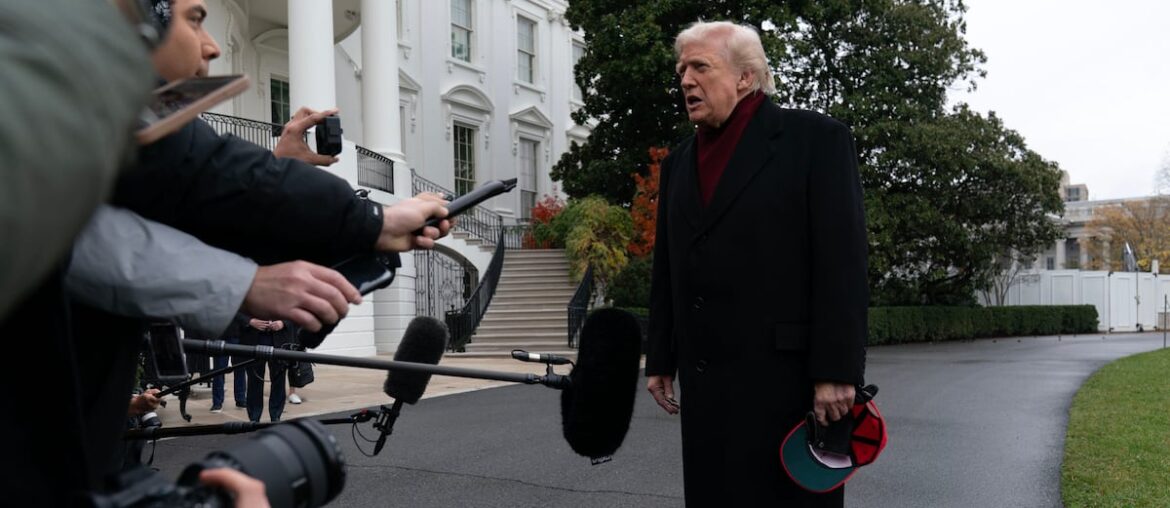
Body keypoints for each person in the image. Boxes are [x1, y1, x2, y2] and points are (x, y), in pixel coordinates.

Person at [644, 21, 868, 507]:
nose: (685, 80)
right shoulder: (679, 162)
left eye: (700, 67)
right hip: (707, 387)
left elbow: (842, 264)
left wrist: (836, 371)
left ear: (746, 77)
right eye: (682, 69)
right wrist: (660, 355)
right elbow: (668, 265)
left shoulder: (816, 140)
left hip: (786, 388)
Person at [240, 317, 296, 423]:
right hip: (254, 341)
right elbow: (237, 312)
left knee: (279, 381)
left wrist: (283, 323)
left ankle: (276, 416)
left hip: (280, 343)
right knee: (254, 382)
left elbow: (295, 313)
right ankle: (254, 417)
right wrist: (250, 321)